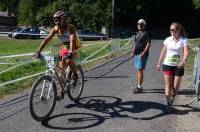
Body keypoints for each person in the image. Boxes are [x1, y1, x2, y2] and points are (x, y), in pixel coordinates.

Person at [35, 11, 78, 99]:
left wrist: (71, 51)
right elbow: (47, 39)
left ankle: (75, 75)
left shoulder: (71, 27)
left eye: (58, 20)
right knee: (61, 71)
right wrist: (38, 51)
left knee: (68, 60)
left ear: (64, 19)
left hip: (74, 46)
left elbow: (72, 39)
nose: (56, 22)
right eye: (55, 20)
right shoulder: (56, 29)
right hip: (65, 47)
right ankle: (62, 92)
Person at [157, 22, 189, 113]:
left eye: (173, 29)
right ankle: (168, 104)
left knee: (175, 88)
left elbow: (186, 52)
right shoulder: (168, 40)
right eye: (170, 29)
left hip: (179, 66)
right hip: (167, 65)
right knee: (168, 85)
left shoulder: (184, 40)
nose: (171, 31)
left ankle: (173, 96)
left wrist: (183, 61)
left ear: (178, 30)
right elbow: (163, 52)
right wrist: (159, 63)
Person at [130, 19, 151, 93]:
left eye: (141, 24)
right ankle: (139, 84)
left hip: (142, 54)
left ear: (144, 25)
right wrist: (132, 52)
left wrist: (144, 53)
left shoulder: (146, 33)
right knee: (138, 69)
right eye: (138, 24)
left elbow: (148, 44)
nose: (139, 25)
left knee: (140, 69)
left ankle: (139, 87)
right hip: (136, 54)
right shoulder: (136, 33)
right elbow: (135, 44)